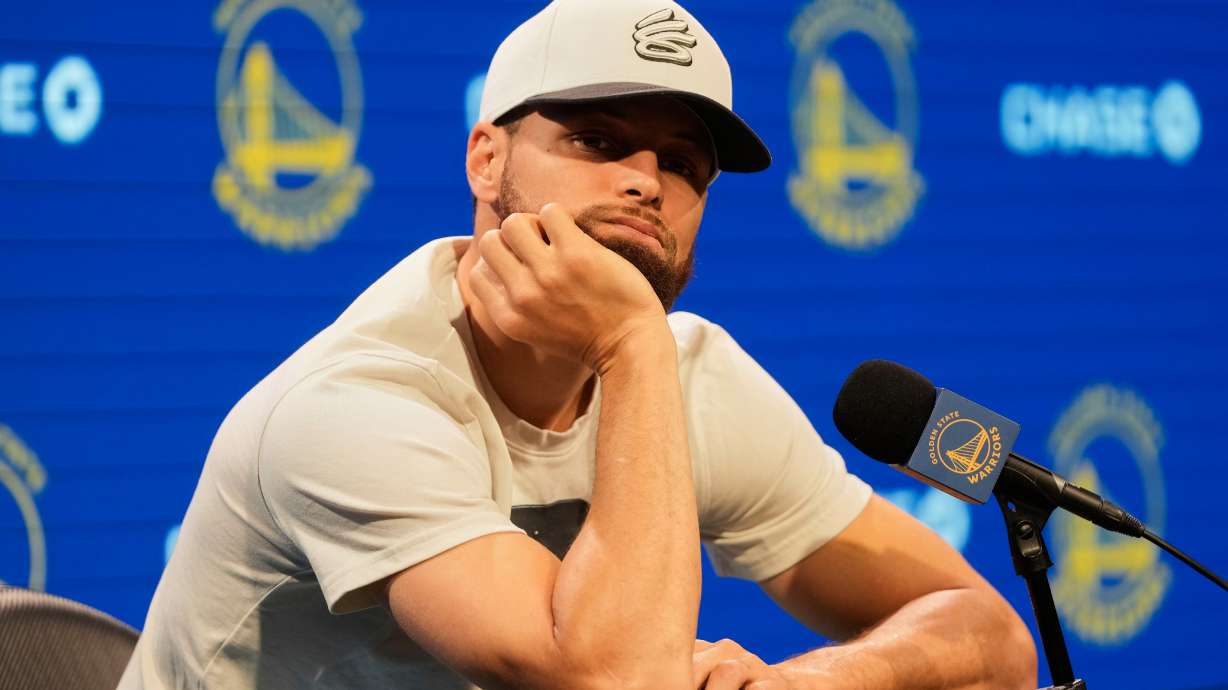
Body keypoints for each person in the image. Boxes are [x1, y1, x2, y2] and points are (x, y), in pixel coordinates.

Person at [120, 0, 1038, 688]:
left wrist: (808, 680)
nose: (647, 183)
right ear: (487, 159)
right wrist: (631, 341)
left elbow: (989, 640)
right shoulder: (359, 400)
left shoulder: (692, 375)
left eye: (682, 164)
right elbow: (611, 680)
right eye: (599, 140)